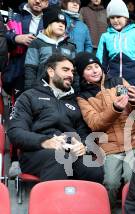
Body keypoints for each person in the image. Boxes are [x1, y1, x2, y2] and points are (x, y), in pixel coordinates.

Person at [7, 54, 103, 182]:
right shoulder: (29, 96)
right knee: (59, 158)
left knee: (93, 167)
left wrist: (83, 146)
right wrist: (45, 141)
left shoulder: (75, 102)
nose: (70, 75)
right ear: (51, 72)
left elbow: (84, 133)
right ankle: (53, 202)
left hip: (70, 151)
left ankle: (81, 202)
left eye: (72, 71)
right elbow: (15, 132)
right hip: (36, 152)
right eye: (65, 70)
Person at [75, 52, 135, 208]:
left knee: (130, 177)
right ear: (82, 74)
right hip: (109, 147)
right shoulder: (83, 97)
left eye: (96, 66)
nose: (94, 71)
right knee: (110, 182)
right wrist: (115, 108)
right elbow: (95, 124)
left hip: (133, 140)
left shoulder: (118, 81)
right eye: (88, 68)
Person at [96, 0, 135, 92]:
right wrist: (101, 85)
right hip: (112, 87)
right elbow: (100, 64)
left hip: (134, 86)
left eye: (118, 16)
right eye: (112, 17)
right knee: (118, 105)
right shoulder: (105, 37)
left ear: (126, 17)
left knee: (132, 106)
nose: (115, 20)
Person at [24, 6, 76, 90]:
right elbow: (30, 69)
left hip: (64, 91)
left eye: (63, 23)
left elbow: (74, 72)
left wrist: (76, 91)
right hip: (41, 90)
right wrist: (29, 91)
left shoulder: (70, 46)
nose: (61, 25)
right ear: (48, 24)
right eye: (57, 22)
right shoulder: (36, 43)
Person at [4, 0, 48, 95]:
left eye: (42, 0)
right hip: (17, 71)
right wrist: (16, 38)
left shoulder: (50, 20)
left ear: (47, 3)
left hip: (40, 74)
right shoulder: (16, 16)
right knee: (17, 107)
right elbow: (3, 37)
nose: (38, 1)